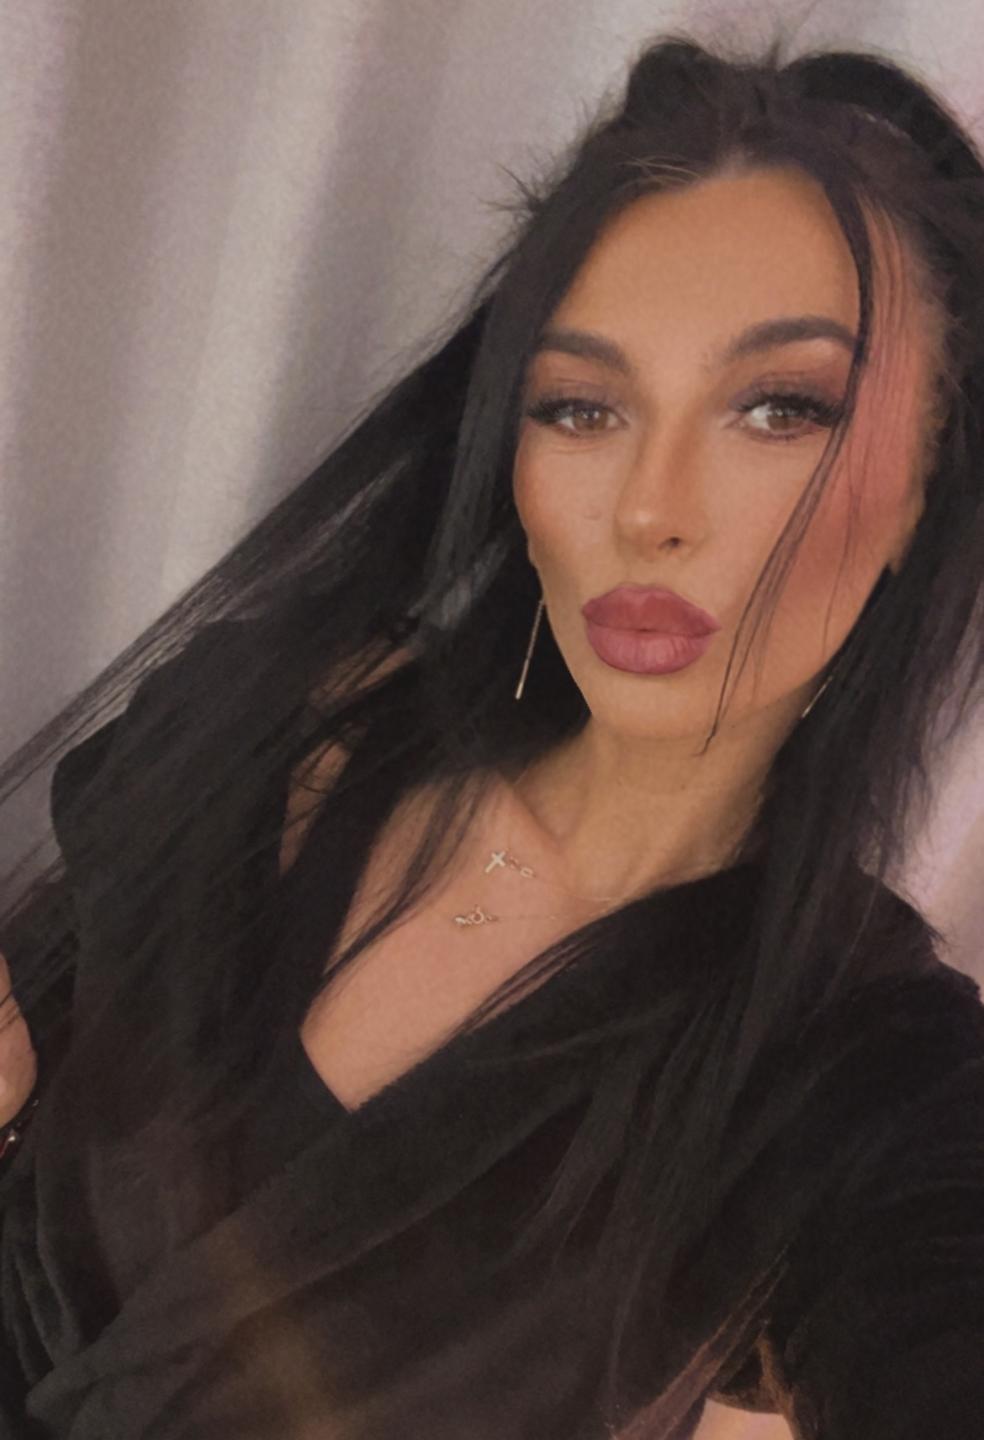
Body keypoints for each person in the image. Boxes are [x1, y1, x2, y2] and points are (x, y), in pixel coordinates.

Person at [1, 28, 983, 1440]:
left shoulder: (856, 1068)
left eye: (780, 409)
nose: (648, 507)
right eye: (581, 406)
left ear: (926, 486)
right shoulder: (281, 734)